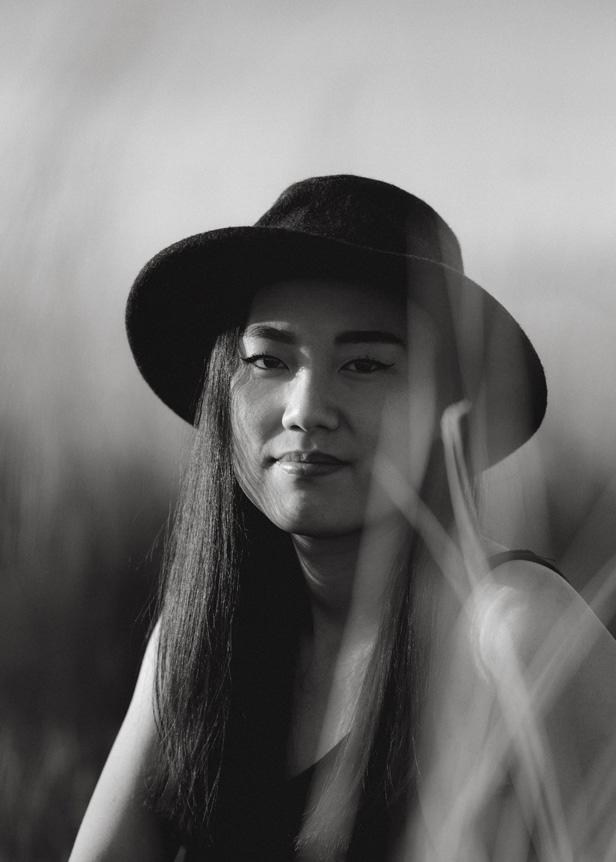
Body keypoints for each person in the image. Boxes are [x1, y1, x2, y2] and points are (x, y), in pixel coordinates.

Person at [69, 175, 616, 861]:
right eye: (268, 359)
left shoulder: (515, 634)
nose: (306, 408)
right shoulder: (202, 639)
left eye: (364, 364)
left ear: (446, 407)